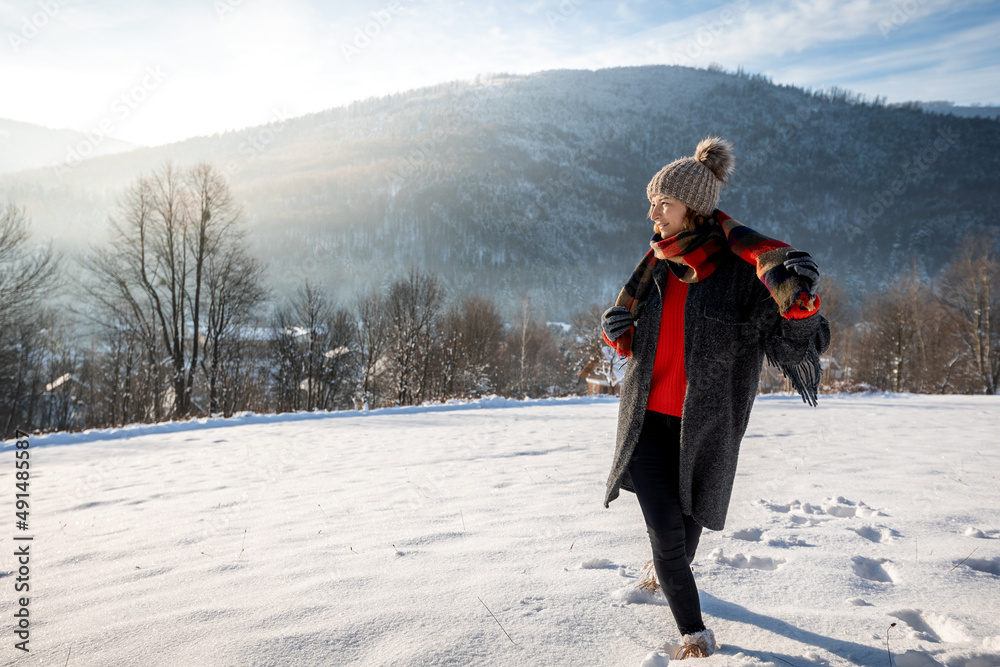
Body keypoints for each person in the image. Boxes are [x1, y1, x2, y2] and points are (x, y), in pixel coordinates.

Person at [600, 137, 830, 660]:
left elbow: (797, 340)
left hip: (707, 429)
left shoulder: (741, 275)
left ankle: (665, 576)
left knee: (683, 530)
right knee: (666, 536)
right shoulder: (656, 267)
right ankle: (694, 633)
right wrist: (618, 333)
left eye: (664, 203)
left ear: (694, 209)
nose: (652, 213)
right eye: (652, 202)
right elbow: (639, 338)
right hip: (645, 423)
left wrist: (801, 309)